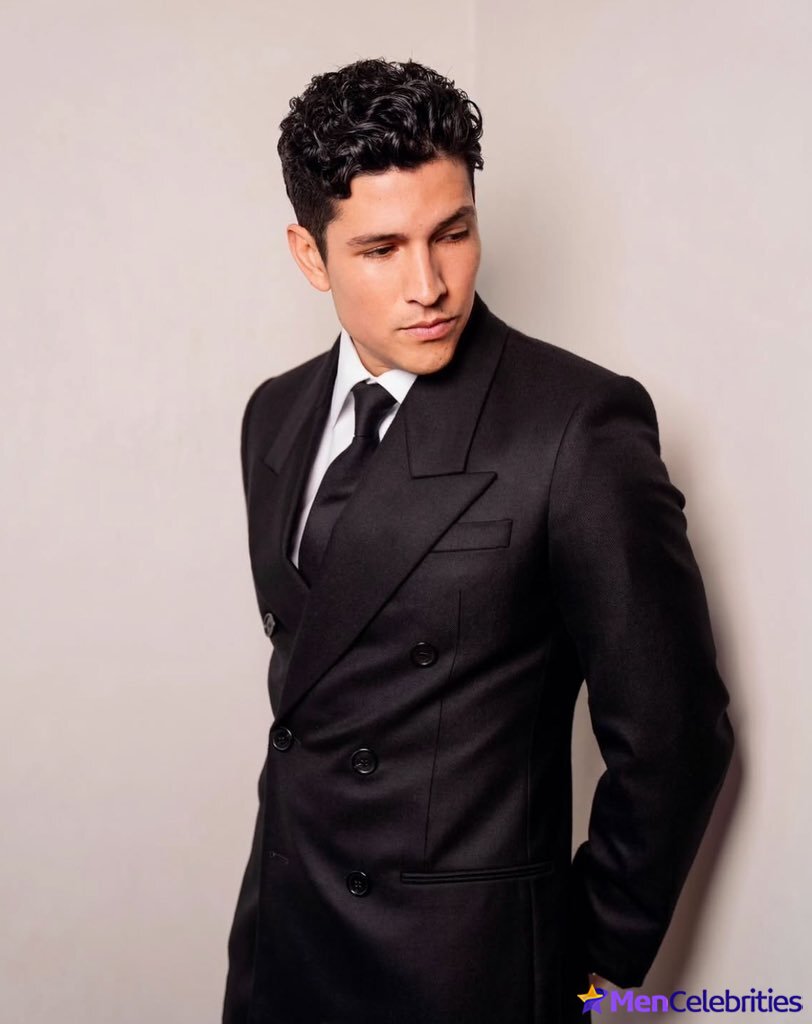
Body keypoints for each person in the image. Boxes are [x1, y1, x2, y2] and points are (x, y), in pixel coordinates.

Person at [221, 58, 734, 1024]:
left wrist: (585, 974)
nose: (430, 286)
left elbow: (675, 737)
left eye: (452, 234)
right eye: (381, 249)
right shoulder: (274, 416)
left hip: (464, 972)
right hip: (283, 939)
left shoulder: (575, 425)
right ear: (309, 255)